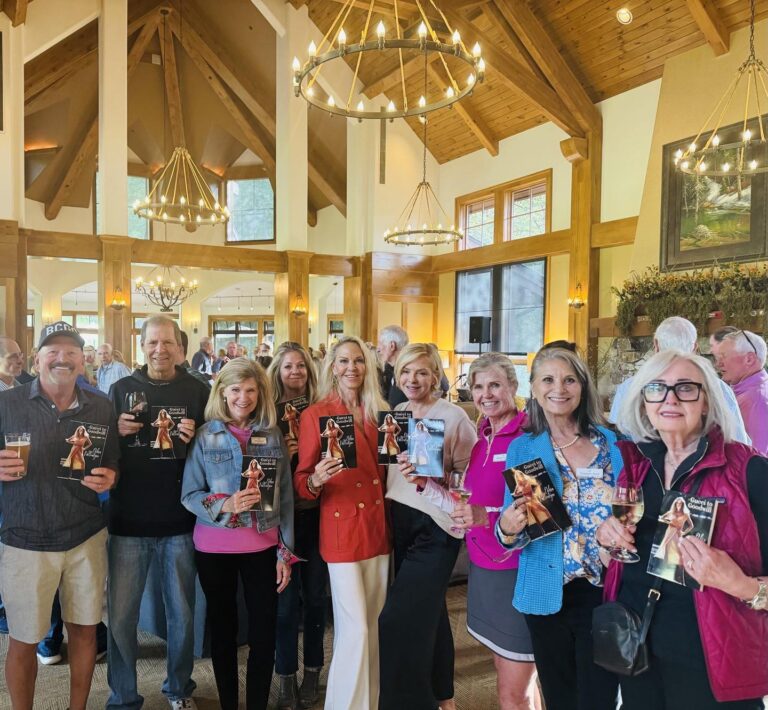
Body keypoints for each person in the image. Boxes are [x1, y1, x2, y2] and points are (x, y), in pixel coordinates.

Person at [597, 350, 768, 708]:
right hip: (638, 654)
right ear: (644, 402)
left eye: (686, 388)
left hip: (715, 668)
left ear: (706, 401)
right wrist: (607, 539)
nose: (670, 398)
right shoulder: (638, 468)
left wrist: (737, 583)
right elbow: (619, 558)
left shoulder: (749, 473)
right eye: (657, 388)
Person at [0, 321, 119, 710]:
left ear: (83, 361)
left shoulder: (101, 405)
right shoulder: (8, 403)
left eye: (72, 351)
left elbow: (113, 460)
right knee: (24, 638)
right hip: (24, 539)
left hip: (85, 537)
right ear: (37, 359)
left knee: (84, 631)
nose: (62, 357)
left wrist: (110, 477)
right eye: (53, 350)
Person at [495, 345, 620, 710]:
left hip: (602, 590)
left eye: (569, 380)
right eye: (548, 379)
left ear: (582, 386)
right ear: (533, 388)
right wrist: (507, 525)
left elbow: (633, 513)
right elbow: (513, 533)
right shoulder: (523, 449)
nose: (559, 389)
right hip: (546, 592)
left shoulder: (614, 444)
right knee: (560, 698)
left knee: (599, 699)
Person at [106, 316, 210, 710]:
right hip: (127, 522)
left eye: (167, 343)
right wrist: (114, 430)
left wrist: (196, 436)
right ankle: (122, 696)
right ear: (142, 345)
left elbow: (214, 451)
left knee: (182, 616)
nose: (159, 350)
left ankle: (179, 689)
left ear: (180, 348)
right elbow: (99, 452)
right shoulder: (119, 390)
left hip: (181, 522)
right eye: (152, 342)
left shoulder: (198, 390)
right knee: (120, 620)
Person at [181, 358, 296, 710]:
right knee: (224, 632)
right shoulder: (205, 436)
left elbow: (286, 498)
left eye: (250, 390)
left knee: (264, 634)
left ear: (260, 392)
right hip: (214, 547)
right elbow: (189, 495)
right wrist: (226, 503)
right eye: (235, 390)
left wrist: (285, 553)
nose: (243, 397)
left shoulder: (273, 435)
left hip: (263, 546)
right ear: (222, 392)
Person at [294, 336, 391, 710]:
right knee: (356, 631)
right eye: (344, 361)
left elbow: (390, 474)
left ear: (368, 367)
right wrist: (316, 478)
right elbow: (302, 481)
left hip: (379, 528)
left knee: (373, 628)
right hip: (342, 530)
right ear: (332, 367)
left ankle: (370, 702)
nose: (352, 368)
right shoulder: (315, 414)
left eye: (359, 361)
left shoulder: (380, 412)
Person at [378, 343, 476, 710]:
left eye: (421, 372)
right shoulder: (398, 412)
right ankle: (443, 697)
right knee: (430, 612)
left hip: (435, 527)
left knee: (396, 622)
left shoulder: (453, 417)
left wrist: (435, 478)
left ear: (436, 375)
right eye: (405, 372)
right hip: (400, 521)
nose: (412, 379)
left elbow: (472, 480)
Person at [450, 353, 541, 710]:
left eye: (495, 385)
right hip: (483, 567)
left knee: (512, 691)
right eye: (478, 386)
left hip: (516, 570)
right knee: (509, 675)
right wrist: (425, 484)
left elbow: (537, 513)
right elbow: (471, 501)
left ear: (513, 388)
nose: (486, 394)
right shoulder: (481, 439)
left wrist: (485, 517)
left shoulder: (527, 438)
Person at [266, 342, 327, 709]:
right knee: (285, 603)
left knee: (316, 598)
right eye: (288, 367)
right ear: (278, 371)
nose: (295, 373)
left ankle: (314, 672)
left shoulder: (322, 412)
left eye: (301, 367)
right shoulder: (267, 415)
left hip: (318, 515)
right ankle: (285, 676)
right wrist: (282, 454)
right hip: (283, 520)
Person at [610, 317, 751, 445]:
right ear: (695, 347)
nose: (671, 401)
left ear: (656, 345)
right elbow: (738, 440)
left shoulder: (629, 387)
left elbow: (616, 440)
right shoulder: (718, 387)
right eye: (656, 390)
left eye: (687, 389)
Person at [709, 328, 768, 455]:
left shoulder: (754, 401)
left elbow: (754, 459)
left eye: (723, 356)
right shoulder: (754, 391)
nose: (718, 364)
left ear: (749, 359)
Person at [376, 325, 409, 407]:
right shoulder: (390, 370)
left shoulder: (407, 374)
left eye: (380, 343)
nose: (378, 349)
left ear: (392, 346)